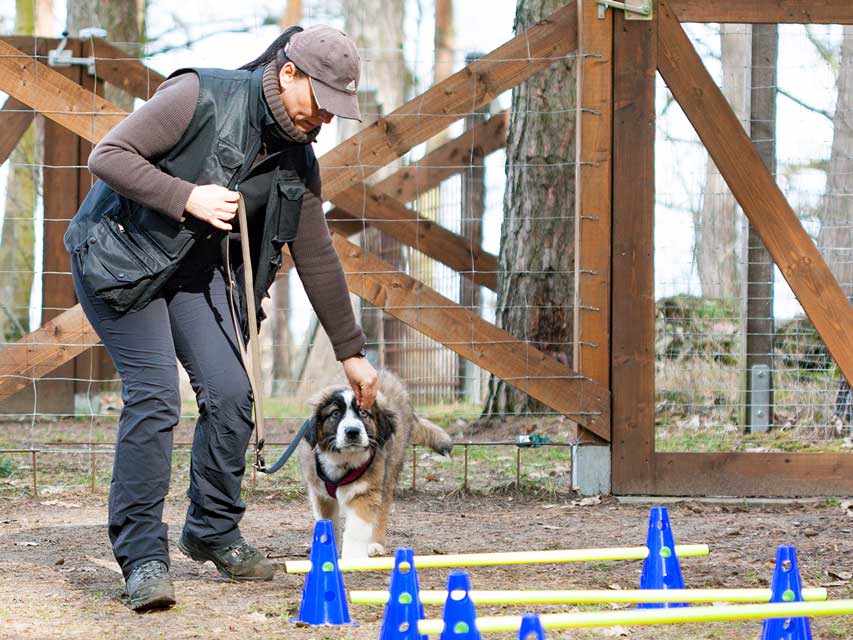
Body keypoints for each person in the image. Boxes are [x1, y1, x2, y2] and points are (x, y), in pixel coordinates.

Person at [63, 24, 378, 612]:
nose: (327, 120)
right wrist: (185, 195)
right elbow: (107, 155)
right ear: (289, 74)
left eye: (339, 110)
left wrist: (351, 352)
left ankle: (211, 529)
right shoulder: (199, 95)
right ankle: (142, 557)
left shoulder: (297, 162)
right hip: (117, 259)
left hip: (190, 272)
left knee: (233, 393)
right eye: (323, 103)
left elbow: (316, 256)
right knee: (156, 396)